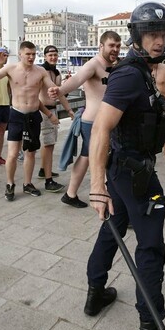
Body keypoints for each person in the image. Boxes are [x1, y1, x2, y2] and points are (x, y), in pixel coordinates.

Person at [86, 2, 165, 330]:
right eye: (151, 34)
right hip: (135, 176)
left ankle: (95, 292)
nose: (159, 40)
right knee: (150, 248)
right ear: (137, 36)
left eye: (163, 34)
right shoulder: (130, 75)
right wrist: (97, 188)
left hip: (125, 169)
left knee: (113, 226)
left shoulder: (146, 70)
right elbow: (100, 129)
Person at [48, 31, 122, 208]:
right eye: (112, 46)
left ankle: (71, 193)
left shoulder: (116, 65)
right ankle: (105, 199)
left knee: (89, 156)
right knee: (95, 157)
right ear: (101, 46)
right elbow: (76, 79)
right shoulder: (93, 65)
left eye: (118, 46)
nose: (115, 50)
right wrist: (60, 90)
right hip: (92, 123)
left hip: (108, 122)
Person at [0, 41, 59, 201]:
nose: (31, 57)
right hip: (16, 114)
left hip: (33, 116)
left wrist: (54, 93)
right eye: (28, 54)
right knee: (12, 153)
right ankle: (10, 184)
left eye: (33, 54)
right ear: (20, 54)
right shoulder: (10, 69)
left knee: (30, 153)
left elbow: (52, 87)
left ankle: (27, 183)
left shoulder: (40, 71)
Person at [38, 45, 73, 192]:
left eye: (55, 55)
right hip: (45, 112)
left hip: (53, 110)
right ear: (45, 56)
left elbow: (59, 94)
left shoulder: (57, 73)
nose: (53, 57)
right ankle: (48, 180)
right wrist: (48, 114)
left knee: (48, 144)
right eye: (50, 55)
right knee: (49, 145)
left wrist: (69, 110)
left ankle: (43, 170)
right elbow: (36, 96)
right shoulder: (42, 72)